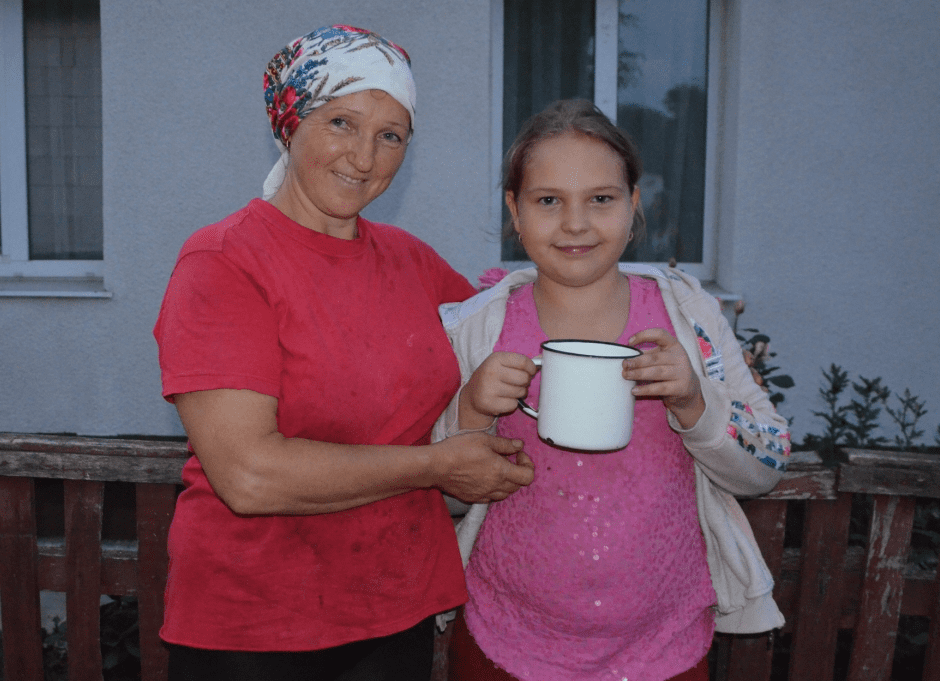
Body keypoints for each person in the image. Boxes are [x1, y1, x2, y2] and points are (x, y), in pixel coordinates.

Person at [153, 25, 534, 681]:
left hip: (395, 611)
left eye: (391, 135)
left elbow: (520, 331)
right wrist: (434, 465)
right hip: (255, 630)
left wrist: (659, 326)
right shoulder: (223, 261)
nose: (364, 157)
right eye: (341, 123)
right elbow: (249, 475)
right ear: (289, 124)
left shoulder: (413, 264)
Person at [431, 99, 791, 681]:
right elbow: (439, 497)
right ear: (515, 211)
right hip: (503, 645)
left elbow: (767, 462)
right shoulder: (475, 330)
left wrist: (694, 402)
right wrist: (469, 410)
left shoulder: (688, 317)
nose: (576, 224)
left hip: (665, 650)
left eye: (601, 199)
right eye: (548, 201)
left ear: (633, 205)